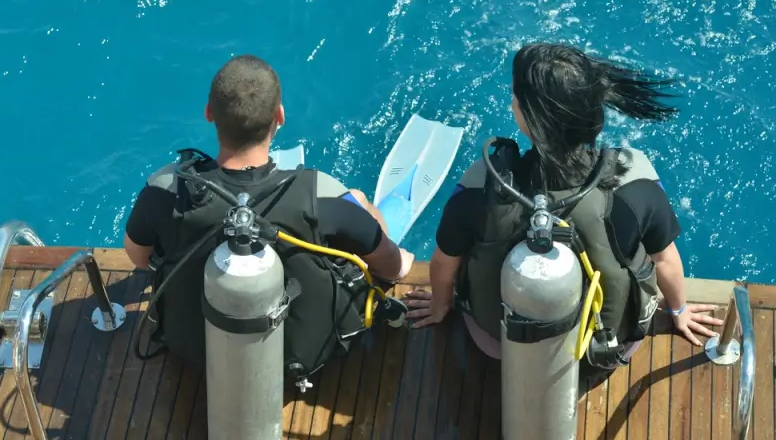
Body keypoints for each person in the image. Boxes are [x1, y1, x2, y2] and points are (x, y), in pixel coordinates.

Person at [401, 42, 723, 376]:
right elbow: (665, 259)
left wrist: (440, 307)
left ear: (532, 119)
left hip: (496, 343)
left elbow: (443, 262)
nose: (511, 102)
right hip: (607, 347)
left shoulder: (482, 184)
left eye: (515, 97)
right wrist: (680, 311)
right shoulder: (634, 184)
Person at [123, 54, 414, 384]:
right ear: (280, 116)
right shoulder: (320, 193)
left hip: (195, 353)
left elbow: (139, 257)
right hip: (303, 357)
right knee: (358, 202)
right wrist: (397, 262)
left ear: (208, 114)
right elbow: (385, 264)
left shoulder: (165, 189)